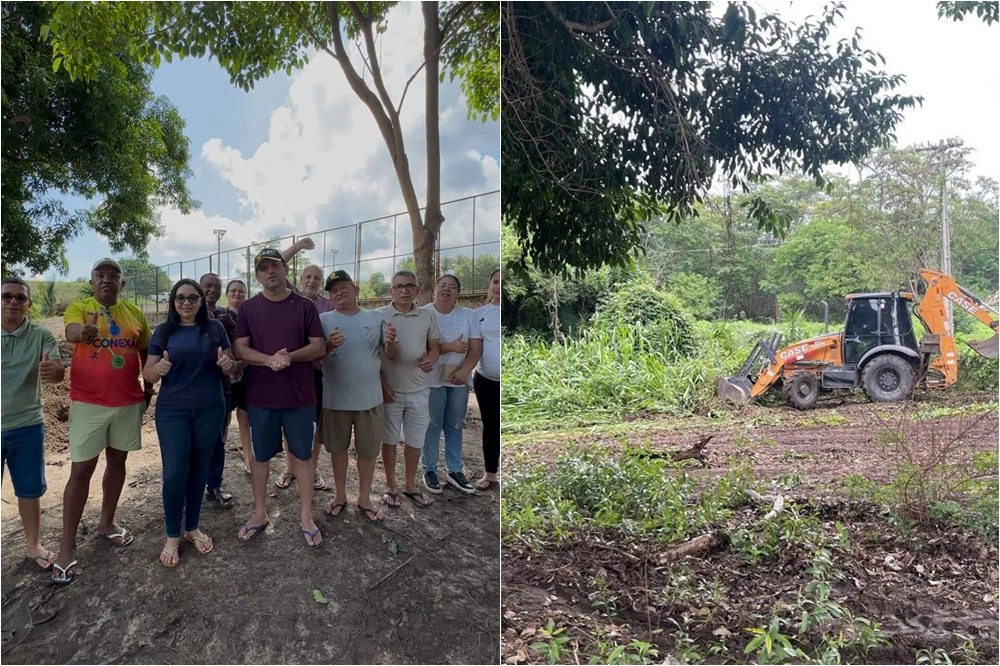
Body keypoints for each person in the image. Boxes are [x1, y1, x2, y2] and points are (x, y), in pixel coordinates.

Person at [52, 258, 153, 584]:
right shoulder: (81, 307)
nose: (107, 280)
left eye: (114, 275)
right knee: (81, 470)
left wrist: (148, 390)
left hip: (127, 402)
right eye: (101, 275)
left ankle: (106, 523)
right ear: (92, 280)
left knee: (118, 461)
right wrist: (83, 332)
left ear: (122, 283)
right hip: (88, 403)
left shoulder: (135, 313)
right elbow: (71, 332)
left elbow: (145, 352)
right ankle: (66, 546)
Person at [232, 248, 326, 547]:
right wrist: (267, 360)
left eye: (275, 265)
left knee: (302, 455)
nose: (270, 271)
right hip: (261, 398)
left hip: (300, 398)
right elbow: (239, 349)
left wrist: (290, 357)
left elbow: (319, 346)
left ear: (286, 269)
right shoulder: (248, 308)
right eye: (264, 268)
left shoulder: (305, 307)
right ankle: (259, 513)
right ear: (258, 275)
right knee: (260, 457)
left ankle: (306, 515)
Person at [143, 279, 239, 568]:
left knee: (199, 468)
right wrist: (157, 369)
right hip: (173, 411)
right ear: (173, 301)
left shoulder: (215, 328)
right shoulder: (163, 331)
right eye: (180, 297)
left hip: (210, 408)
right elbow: (147, 373)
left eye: (192, 298)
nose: (186, 303)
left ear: (201, 301)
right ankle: (172, 534)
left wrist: (228, 365)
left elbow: (232, 365)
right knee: (174, 472)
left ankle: (192, 527)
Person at [318, 270, 398, 522]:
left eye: (343, 287)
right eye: (333, 290)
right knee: (337, 449)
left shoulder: (377, 318)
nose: (339, 292)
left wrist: (391, 342)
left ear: (356, 289)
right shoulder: (324, 320)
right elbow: (315, 355)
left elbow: (390, 355)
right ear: (329, 298)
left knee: (368, 451)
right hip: (335, 400)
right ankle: (340, 495)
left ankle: (364, 498)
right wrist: (329, 345)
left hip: (370, 399)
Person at [1, 277, 65, 572]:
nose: (12, 302)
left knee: (29, 490)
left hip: (27, 424)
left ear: (29, 304)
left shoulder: (41, 337)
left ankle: (33, 545)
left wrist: (54, 370)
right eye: (6, 296)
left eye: (19, 298)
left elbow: (56, 372)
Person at [379, 270, 440, 508]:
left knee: (415, 441)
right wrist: (381, 384)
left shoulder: (427, 317)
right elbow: (374, 354)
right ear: (390, 291)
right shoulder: (379, 316)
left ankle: (410, 485)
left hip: (419, 390)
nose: (404, 290)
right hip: (390, 391)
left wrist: (432, 359)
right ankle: (390, 486)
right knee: (389, 440)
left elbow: (434, 347)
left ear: (417, 290)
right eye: (398, 286)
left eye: (409, 286)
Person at [420, 273, 482, 495]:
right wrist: (449, 347)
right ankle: (429, 469)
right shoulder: (424, 313)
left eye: (452, 287)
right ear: (435, 289)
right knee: (432, 424)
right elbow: (420, 346)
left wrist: (465, 371)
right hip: (432, 379)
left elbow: (476, 347)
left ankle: (454, 470)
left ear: (458, 293)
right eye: (442, 285)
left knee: (454, 425)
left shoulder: (468, 315)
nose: (446, 290)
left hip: (459, 379)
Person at [278, 237, 330, 491]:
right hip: (290, 372)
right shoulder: (291, 297)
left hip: (317, 374)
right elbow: (277, 263)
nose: (311, 281)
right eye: (307, 277)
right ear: (299, 280)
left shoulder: (328, 307)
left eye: (316, 279)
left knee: (315, 423)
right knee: (290, 422)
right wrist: (298, 247)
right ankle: (290, 468)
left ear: (321, 284)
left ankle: (313, 466)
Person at [199, 272, 237, 509]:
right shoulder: (183, 316)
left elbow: (238, 352)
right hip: (191, 390)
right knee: (191, 443)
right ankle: (189, 488)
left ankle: (214, 486)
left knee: (218, 441)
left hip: (221, 390)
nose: (212, 290)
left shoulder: (228, 316)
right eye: (207, 286)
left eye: (217, 287)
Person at [473, 268, 501, 491]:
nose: (499, 286)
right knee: (491, 426)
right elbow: (474, 347)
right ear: (490, 284)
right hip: (486, 380)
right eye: (495, 282)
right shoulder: (479, 313)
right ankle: (490, 473)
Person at [224, 279, 252, 473]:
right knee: (223, 418)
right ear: (226, 295)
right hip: (224, 377)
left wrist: (242, 364)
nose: (237, 294)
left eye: (241, 291)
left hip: (247, 374)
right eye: (233, 291)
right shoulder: (218, 317)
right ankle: (218, 461)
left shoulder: (251, 316)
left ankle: (249, 460)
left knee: (245, 417)